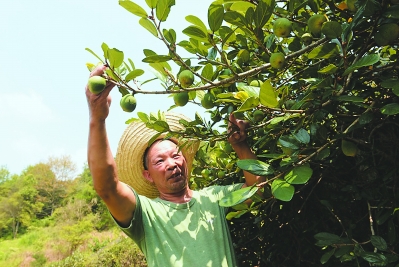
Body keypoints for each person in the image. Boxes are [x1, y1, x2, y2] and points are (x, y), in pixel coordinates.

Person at [85, 65, 264, 267]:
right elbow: (107, 187)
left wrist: (241, 147)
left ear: (185, 161)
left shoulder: (213, 198)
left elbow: (259, 191)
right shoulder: (146, 214)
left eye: (176, 155)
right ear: (148, 175)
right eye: (159, 161)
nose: (171, 164)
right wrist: (97, 119)